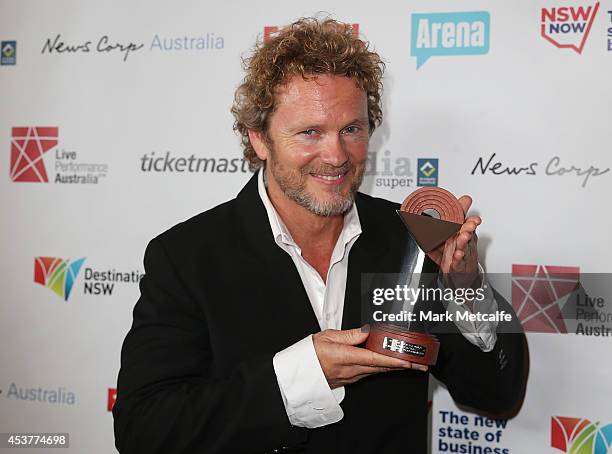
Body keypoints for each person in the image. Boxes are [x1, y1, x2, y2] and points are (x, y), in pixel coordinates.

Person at [113, 18, 527, 454]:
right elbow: (144, 430)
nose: (336, 156)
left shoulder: (411, 239)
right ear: (259, 138)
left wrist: (464, 291)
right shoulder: (187, 256)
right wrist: (306, 375)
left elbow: (496, 394)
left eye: (352, 129)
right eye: (310, 132)